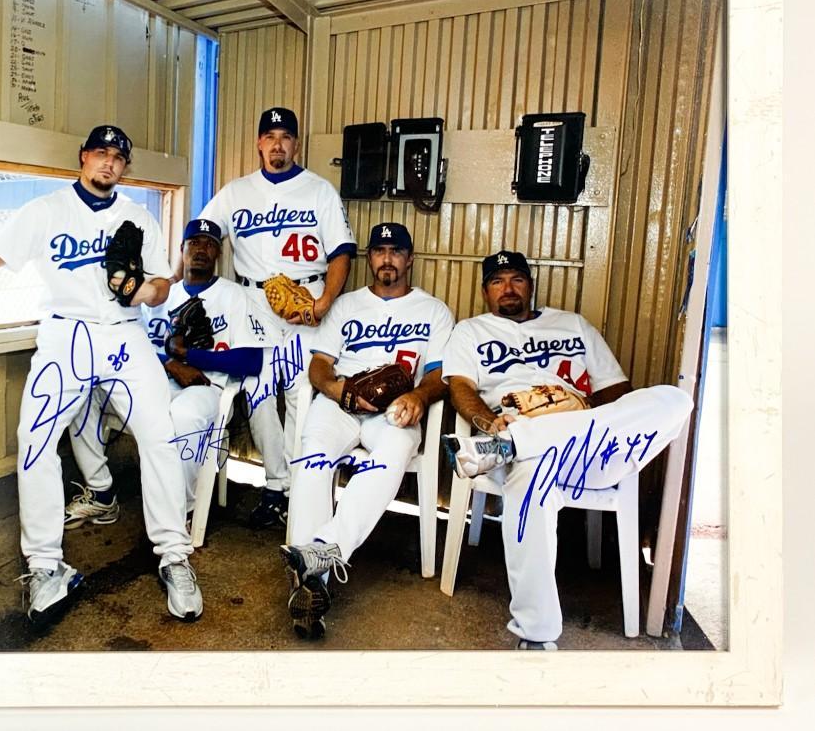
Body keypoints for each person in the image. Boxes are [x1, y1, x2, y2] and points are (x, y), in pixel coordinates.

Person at [0, 124, 203, 626]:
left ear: (125, 167)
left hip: (123, 334)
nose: (109, 163)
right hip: (66, 334)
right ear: (83, 158)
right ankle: (44, 564)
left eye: (119, 157)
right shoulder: (46, 211)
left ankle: (173, 554)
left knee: (160, 436)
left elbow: (164, 284)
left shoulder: (138, 216)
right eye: (101, 153)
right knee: (34, 441)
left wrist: (144, 290)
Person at [440, 249, 694, 650]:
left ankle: (503, 447)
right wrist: (491, 423)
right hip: (524, 437)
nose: (508, 288)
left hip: (587, 447)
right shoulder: (472, 331)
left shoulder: (573, 325)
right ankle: (537, 636)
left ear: (531, 285)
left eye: (517, 279)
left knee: (676, 401)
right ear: (485, 291)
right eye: (497, 281)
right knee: (531, 475)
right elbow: (459, 388)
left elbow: (617, 393)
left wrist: (580, 419)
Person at [279, 223, 455, 639]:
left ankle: (319, 558)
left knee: (394, 450)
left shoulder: (433, 311)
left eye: (396, 251)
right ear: (370, 258)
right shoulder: (346, 305)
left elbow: (438, 375)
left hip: (395, 406)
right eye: (379, 250)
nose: (387, 258)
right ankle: (313, 580)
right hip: (344, 401)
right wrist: (338, 391)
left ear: (409, 259)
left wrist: (421, 398)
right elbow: (319, 365)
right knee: (311, 458)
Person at [198, 107, 357, 529]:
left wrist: (324, 302)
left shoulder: (319, 190)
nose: (277, 144)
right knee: (259, 391)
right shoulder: (235, 192)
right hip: (255, 301)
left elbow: (342, 252)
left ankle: (294, 491)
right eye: (269, 136)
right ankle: (275, 485)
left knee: (301, 394)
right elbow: (201, 233)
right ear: (258, 143)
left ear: (296, 144)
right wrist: (179, 282)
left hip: (307, 297)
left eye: (285, 136)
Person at [64, 217, 274, 524]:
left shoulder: (233, 296)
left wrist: (192, 357)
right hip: (151, 382)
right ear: (182, 249)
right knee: (82, 394)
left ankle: (182, 511)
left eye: (210, 245)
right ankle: (102, 493)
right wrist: (170, 362)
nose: (201, 249)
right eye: (194, 243)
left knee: (183, 418)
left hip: (206, 389)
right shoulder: (161, 296)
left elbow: (251, 362)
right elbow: (132, 343)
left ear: (218, 253)